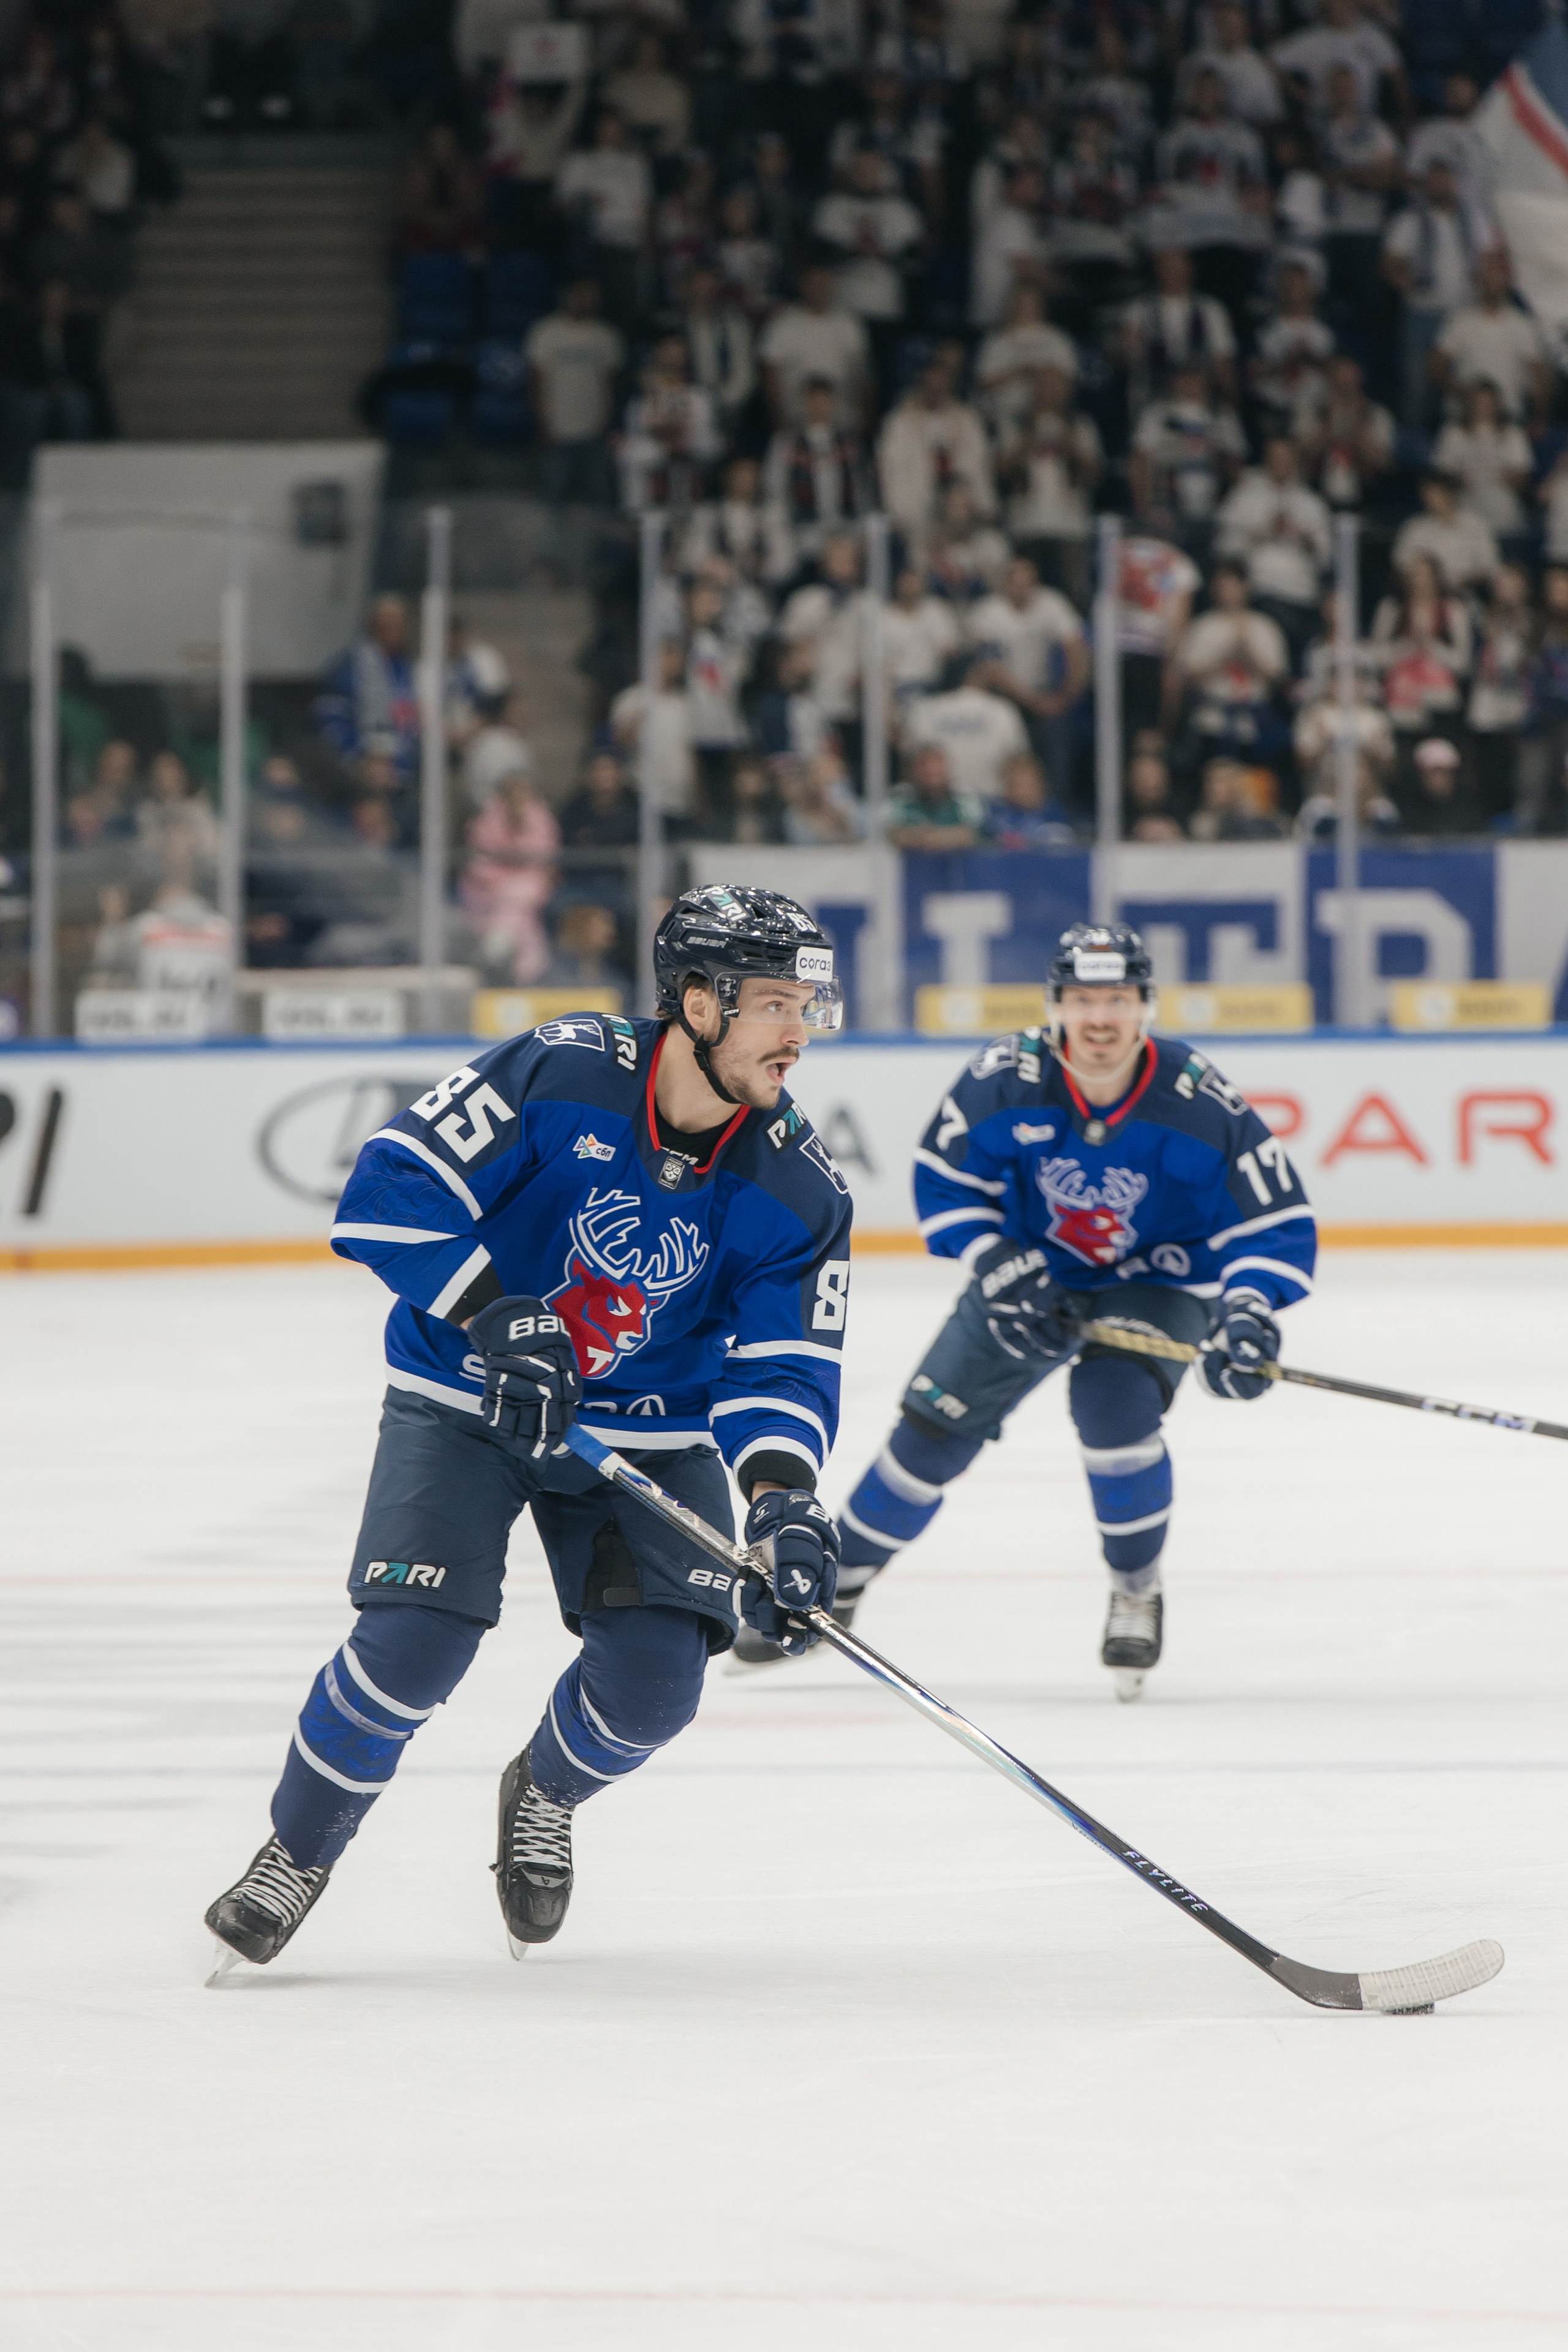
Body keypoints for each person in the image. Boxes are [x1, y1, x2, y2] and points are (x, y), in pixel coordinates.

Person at [204, 886, 853, 1970]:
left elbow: (783, 1364)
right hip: (468, 1399)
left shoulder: (798, 1183)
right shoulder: (564, 1068)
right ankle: (298, 1849)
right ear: (697, 1001)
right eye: (776, 1004)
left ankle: (542, 1792)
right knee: (412, 1649)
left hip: (645, 1437)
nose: (799, 1034)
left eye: (808, 1008)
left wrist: (782, 1499)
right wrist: (498, 1314)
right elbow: (387, 1191)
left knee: (655, 1691)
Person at [776, 923, 1316, 1694]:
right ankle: (842, 1585)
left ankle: (1135, 1589)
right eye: (1083, 998)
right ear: (1055, 1004)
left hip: (1156, 1280)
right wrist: (999, 1262)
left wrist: (1248, 1314)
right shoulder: (1003, 1077)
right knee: (930, 1433)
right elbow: (947, 1184)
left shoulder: (1197, 1098)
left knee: (1113, 1405)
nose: (1100, 1018)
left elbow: (1268, 1221)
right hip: (1027, 1271)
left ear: (1147, 1007)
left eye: (1119, 999)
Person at [526, 277, 625, 510]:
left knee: (600, 495)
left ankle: (600, 545)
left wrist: (607, 418)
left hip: (595, 426)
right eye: (581, 294)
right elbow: (536, 381)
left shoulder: (606, 335)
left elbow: (610, 382)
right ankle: (548, 545)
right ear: (568, 296)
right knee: (553, 494)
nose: (585, 300)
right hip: (558, 425)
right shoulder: (547, 331)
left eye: (591, 295)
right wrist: (542, 421)